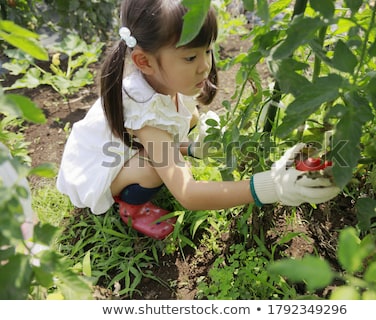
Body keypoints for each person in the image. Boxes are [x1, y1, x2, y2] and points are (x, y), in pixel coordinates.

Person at [56, 0, 340, 240]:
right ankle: (131, 207)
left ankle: (157, 161)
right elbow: (189, 194)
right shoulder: (145, 112)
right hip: (96, 167)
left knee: (186, 124)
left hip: (129, 144)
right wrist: (273, 185)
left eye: (207, 50)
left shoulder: (166, 82)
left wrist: (193, 147)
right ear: (144, 62)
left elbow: (185, 121)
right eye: (191, 57)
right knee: (154, 169)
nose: (205, 65)